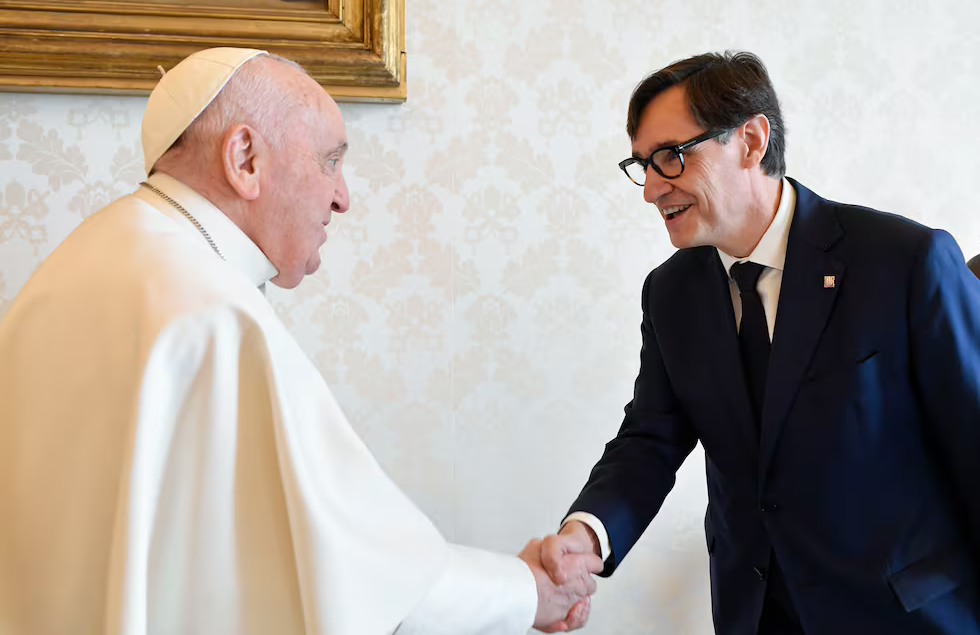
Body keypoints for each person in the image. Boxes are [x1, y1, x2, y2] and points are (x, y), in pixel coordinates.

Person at [0, 48, 601, 634]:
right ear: (245, 158)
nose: (343, 197)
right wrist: (529, 592)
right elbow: (367, 581)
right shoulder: (214, 315)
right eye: (329, 161)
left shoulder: (76, 265)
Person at [537, 51, 980, 634]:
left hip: (906, 615)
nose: (650, 190)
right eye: (642, 164)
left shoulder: (904, 261)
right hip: (757, 616)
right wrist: (586, 535)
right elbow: (649, 439)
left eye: (670, 158)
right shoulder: (671, 293)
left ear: (750, 140)